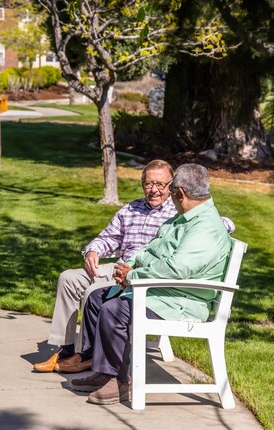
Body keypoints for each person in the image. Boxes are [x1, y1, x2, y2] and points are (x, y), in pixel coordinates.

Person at [69, 163, 233, 405]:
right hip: (161, 290)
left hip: (180, 301)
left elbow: (177, 268)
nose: (167, 197)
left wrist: (133, 276)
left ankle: (122, 381)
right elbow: (151, 248)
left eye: (171, 191)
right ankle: (107, 372)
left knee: (115, 311)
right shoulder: (183, 219)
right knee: (97, 299)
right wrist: (130, 266)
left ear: (180, 193)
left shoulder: (205, 227)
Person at [33, 160, 178, 374]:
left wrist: (224, 225)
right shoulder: (130, 209)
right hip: (119, 267)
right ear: (142, 184)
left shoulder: (178, 213)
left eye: (160, 184)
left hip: (140, 273)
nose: (154, 190)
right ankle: (65, 347)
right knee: (68, 278)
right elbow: (107, 238)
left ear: (171, 185)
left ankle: (86, 354)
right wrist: (93, 251)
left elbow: (218, 223)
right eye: (148, 184)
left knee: (92, 292)